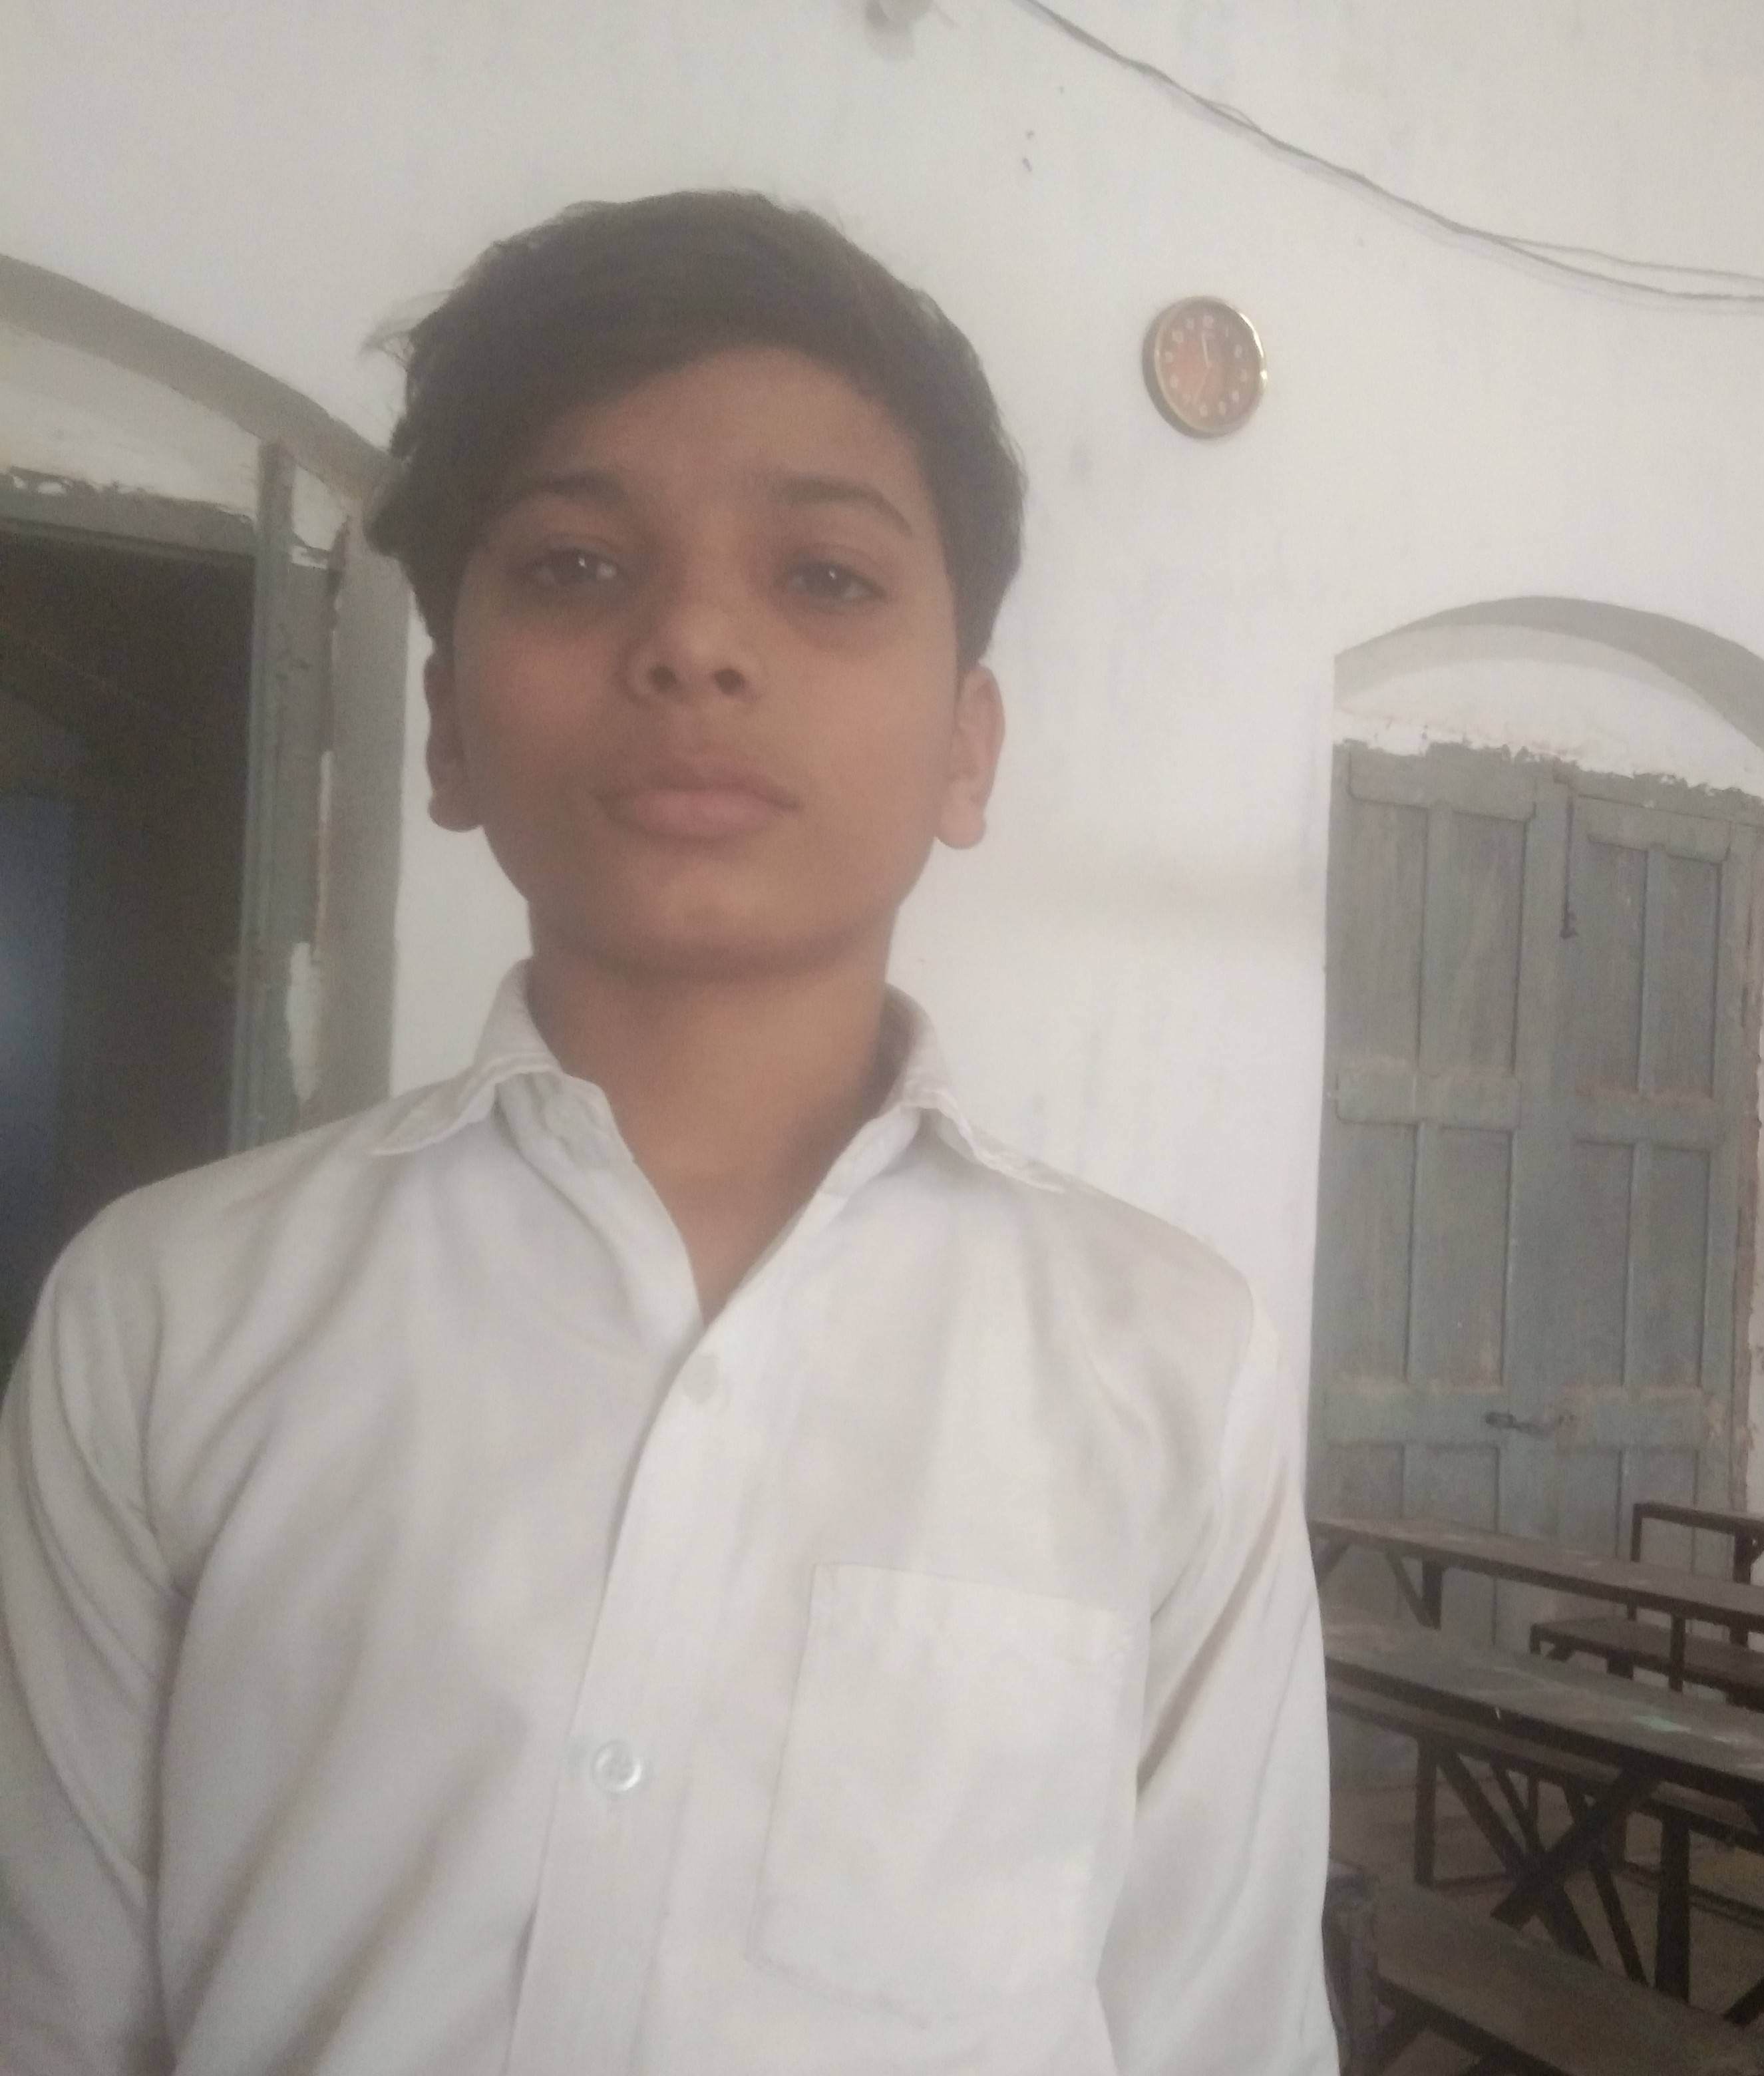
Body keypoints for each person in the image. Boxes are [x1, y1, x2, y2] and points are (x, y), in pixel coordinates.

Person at [0, 191, 1333, 2075]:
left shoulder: (1169, 1362)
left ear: (967, 748)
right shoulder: (166, 1316)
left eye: (827, 577)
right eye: (574, 565)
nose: (696, 641)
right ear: (448, 731)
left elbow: (1222, 2026)